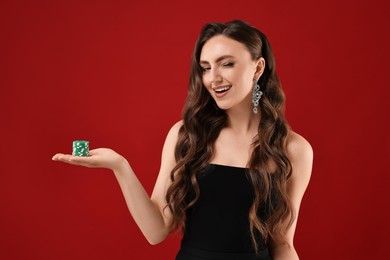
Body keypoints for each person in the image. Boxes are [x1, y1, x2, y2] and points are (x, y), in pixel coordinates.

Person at [52, 20, 313, 260]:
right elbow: (156, 232)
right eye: (206, 68)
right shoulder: (185, 135)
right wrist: (120, 166)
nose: (214, 78)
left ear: (257, 67)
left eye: (227, 64)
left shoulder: (293, 149)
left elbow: (283, 244)